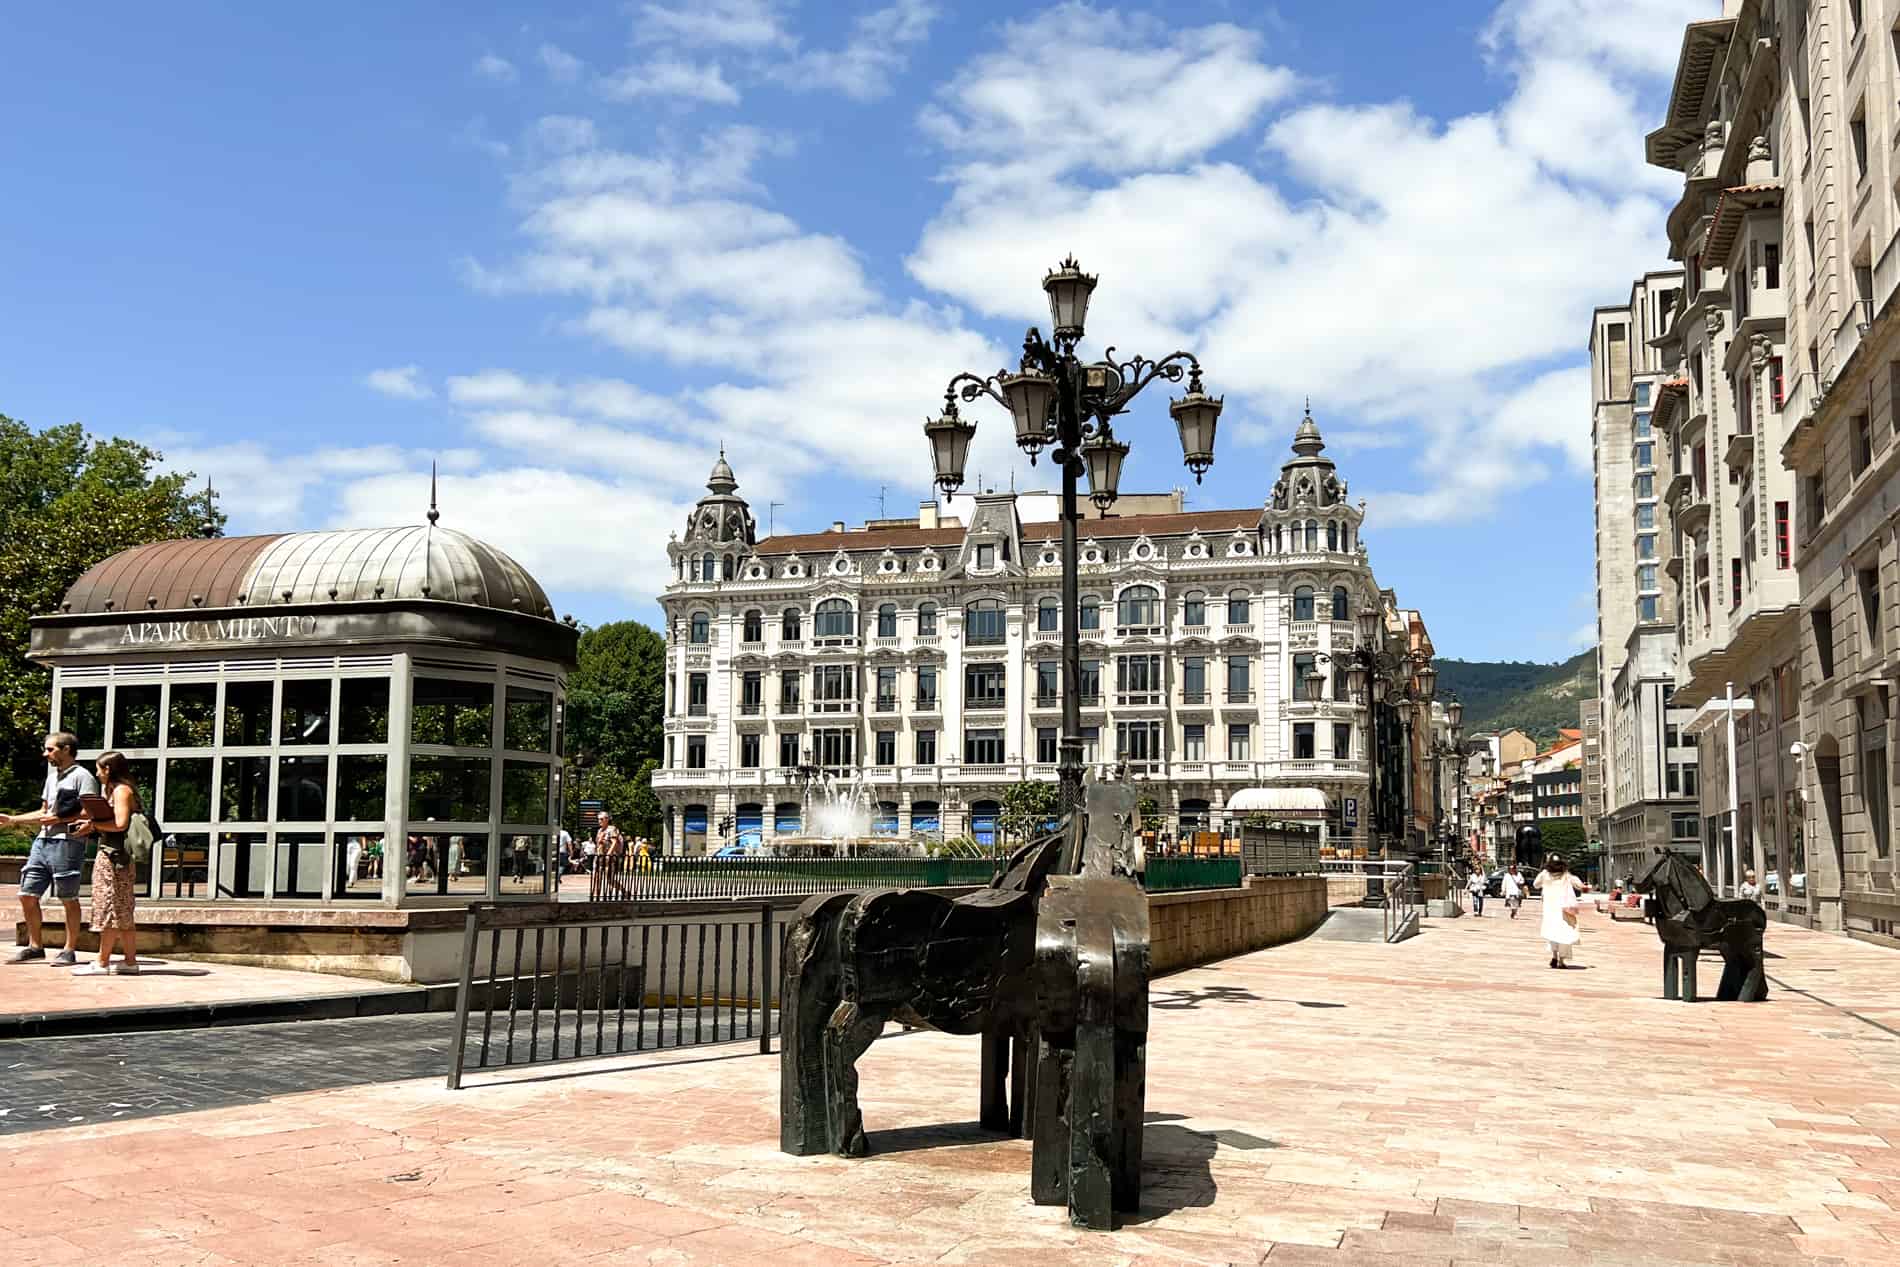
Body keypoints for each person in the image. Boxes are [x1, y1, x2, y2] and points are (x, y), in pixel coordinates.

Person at [1, 732, 99, 966]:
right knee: (27, 894)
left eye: (50, 749)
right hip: (42, 842)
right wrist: (13, 820)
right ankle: (35, 946)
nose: (46, 754)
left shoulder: (83, 777)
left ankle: (69, 949)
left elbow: (90, 811)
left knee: (68, 897)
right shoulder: (52, 778)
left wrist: (60, 820)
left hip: (67, 843)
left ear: (66, 750)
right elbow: (45, 812)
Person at [68, 751, 142, 976]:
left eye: (99, 769)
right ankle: (130, 962)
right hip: (118, 858)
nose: (97, 773)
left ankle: (102, 963)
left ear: (108, 769)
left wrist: (93, 826)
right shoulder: (119, 790)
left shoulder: (120, 791)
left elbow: (120, 824)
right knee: (122, 911)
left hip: (114, 858)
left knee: (110, 908)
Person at [1533, 852, 1590, 969]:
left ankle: (1554, 956)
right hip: (1564, 910)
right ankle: (1561, 960)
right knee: (1565, 934)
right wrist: (1584, 887)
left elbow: (1535, 885)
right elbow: (1578, 884)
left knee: (1552, 934)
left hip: (1550, 910)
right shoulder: (1566, 875)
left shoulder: (1545, 874)